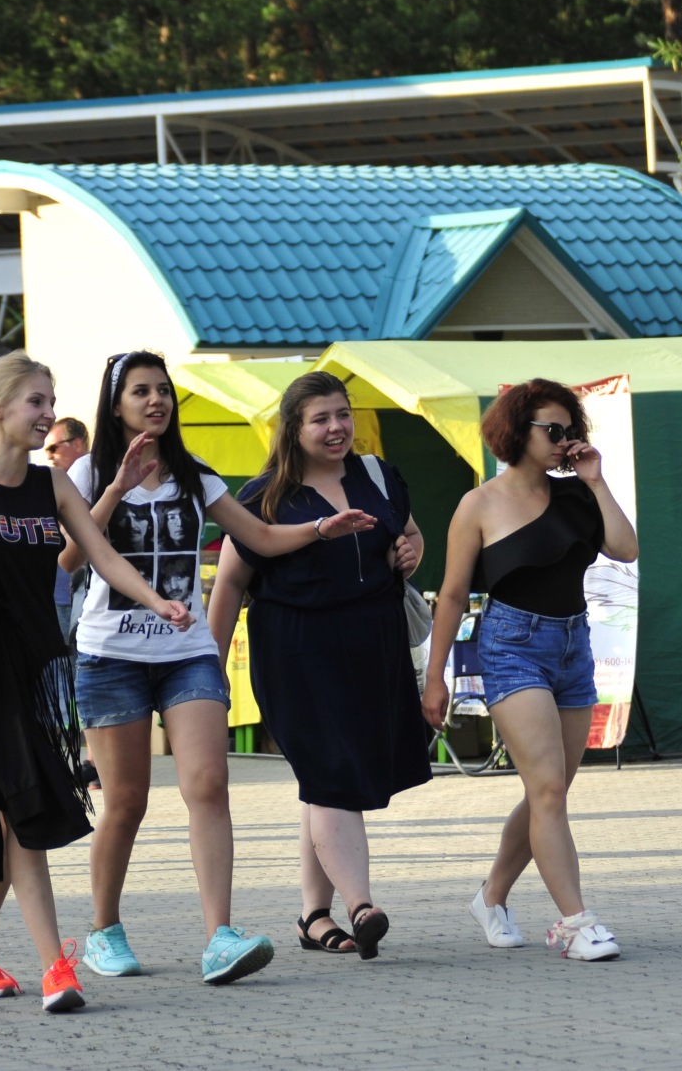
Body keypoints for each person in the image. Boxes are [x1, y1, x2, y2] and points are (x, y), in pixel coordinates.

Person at [64, 353, 375, 983]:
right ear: (115, 404)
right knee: (125, 802)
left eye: (163, 390)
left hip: (187, 653)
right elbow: (70, 558)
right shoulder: (85, 471)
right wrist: (116, 488)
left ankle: (219, 938)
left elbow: (259, 538)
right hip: (111, 656)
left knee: (208, 785)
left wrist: (322, 527)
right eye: (141, 391)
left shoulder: (194, 472)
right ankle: (103, 930)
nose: (156, 400)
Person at [0, 350, 195, 1014]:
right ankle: (54, 969)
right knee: (23, 814)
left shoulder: (54, 485)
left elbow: (102, 557)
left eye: (51, 402)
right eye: (36, 401)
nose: (47, 414)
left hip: (39, 675)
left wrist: (157, 601)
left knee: (16, 814)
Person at [209, 371, 427, 961]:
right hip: (298, 653)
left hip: (373, 648)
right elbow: (229, 584)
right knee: (332, 772)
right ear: (293, 428)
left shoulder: (377, 474)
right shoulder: (262, 497)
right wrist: (210, 670)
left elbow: (410, 534)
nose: (336, 428)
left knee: (323, 782)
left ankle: (312, 916)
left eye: (342, 414)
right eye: (320, 419)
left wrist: (411, 551)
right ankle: (362, 906)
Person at [423, 378, 638, 962]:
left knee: (552, 789)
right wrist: (435, 676)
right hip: (511, 644)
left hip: (573, 643)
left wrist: (595, 479)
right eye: (552, 429)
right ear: (518, 431)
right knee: (546, 788)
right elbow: (452, 594)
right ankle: (576, 922)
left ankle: (491, 896)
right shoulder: (479, 504)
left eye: (571, 430)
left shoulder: (577, 495)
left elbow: (626, 549)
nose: (564, 439)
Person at [41, 418, 88, 644]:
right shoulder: (51, 484)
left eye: (54, 448)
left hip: (84, 596)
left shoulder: (99, 477)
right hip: (58, 594)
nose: (49, 456)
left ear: (77, 444)